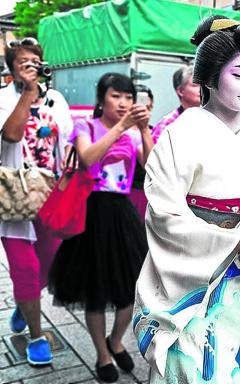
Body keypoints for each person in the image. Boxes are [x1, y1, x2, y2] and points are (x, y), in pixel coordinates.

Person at [132, 16, 240, 383]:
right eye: (238, 73)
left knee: (233, 363)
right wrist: (237, 238)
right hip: (195, 277)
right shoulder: (180, 135)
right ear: (210, 76)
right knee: (189, 367)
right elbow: (164, 215)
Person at [47, 73, 153, 382]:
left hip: (121, 213)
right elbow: (87, 158)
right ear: (101, 99)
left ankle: (116, 340)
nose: (123, 103)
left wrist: (144, 129)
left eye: (128, 97)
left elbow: (151, 166)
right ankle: (102, 354)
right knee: (94, 289)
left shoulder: (134, 131)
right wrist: (121, 128)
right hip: (90, 212)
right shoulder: (86, 127)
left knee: (133, 287)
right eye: (116, 96)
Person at [0, 37, 73, 366]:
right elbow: (11, 135)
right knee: (25, 269)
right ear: (11, 68)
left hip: (49, 196)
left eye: (34, 61)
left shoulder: (56, 99)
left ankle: (23, 302)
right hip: (14, 198)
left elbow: (68, 142)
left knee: (48, 264)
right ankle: (36, 335)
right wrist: (27, 93)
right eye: (21, 62)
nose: (29, 66)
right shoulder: (3, 98)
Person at [151, 65, 201, 144]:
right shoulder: (168, 124)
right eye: (195, 85)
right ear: (181, 91)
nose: (201, 89)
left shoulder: (212, 120)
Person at [129, 84, 154, 222]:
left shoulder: (154, 130)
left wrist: (144, 129)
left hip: (145, 195)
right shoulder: (118, 131)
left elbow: (151, 166)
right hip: (127, 194)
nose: (145, 111)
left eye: (149, 107)